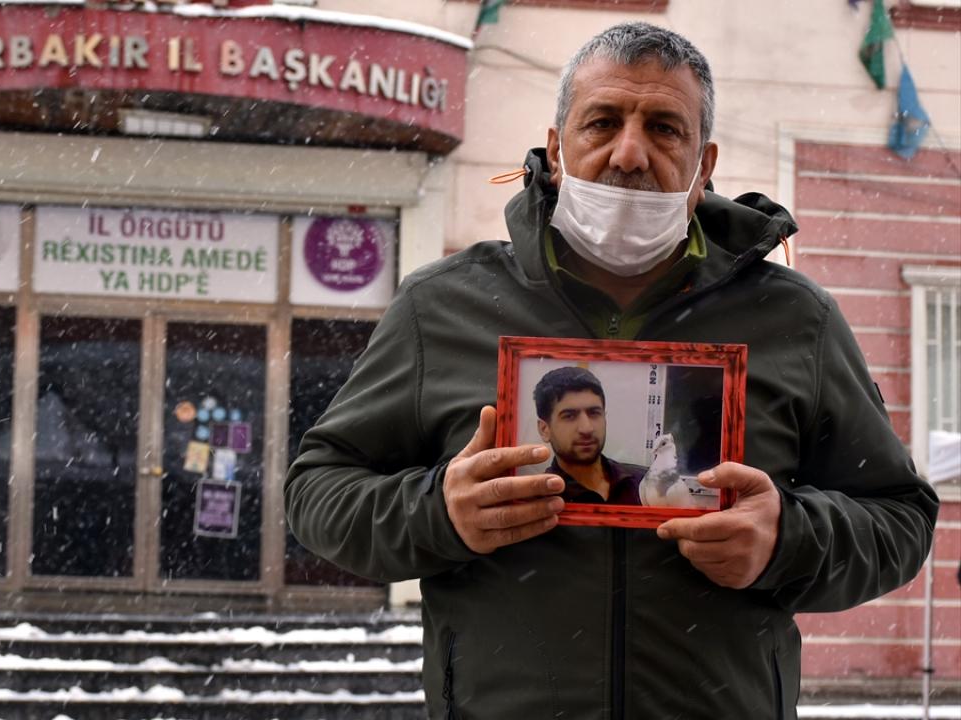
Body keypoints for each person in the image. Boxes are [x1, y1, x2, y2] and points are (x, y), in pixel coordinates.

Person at [284, 21, 938, 720]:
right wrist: (438, 512)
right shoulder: (440, 308)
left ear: (704, 163)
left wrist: (788, 539)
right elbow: (318, 492)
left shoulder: (795, 320)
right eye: (602, 123)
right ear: (557, 149)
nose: (629, 154)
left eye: (664, 128)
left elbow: (898, 518)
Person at [533, 366, 645, 505]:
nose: (587, 428)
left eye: (594, 413)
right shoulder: (537, 504)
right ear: (544, 429)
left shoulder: (644, 485)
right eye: (569, 416)